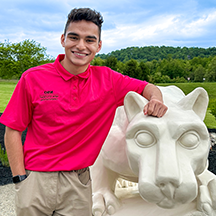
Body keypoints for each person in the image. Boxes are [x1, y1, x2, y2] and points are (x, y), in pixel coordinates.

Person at [0, 7, 168, 216]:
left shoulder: (109, 81)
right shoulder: (33, 78)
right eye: (74, 37)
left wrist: (157, 99)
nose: (81, 46)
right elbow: (12, 130)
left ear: (98, 45)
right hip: (36, 180)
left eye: (89, 40)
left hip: (78, 183)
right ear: (63, 39)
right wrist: (19, 178)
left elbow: (148, 87)